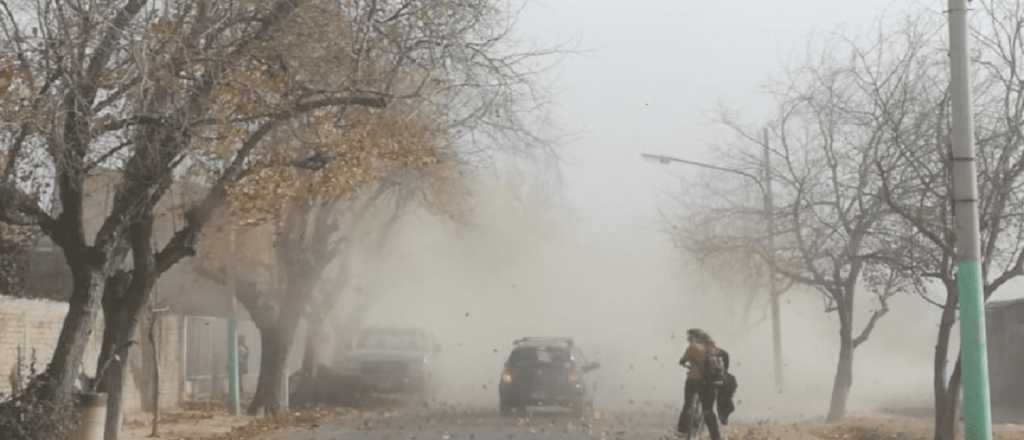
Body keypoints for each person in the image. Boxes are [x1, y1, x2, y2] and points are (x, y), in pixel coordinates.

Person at [676, 328, 723, 440]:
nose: (688, 339)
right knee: (708, 410)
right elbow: (720, 365)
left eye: (689, 337)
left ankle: (682, 430)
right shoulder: (713, 347)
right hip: (710, 382)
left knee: (687, 404)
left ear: (694, 337)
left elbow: (683, 360)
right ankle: (716, 437)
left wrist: (683, 362)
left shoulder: (692, 347)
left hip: (694, 380)